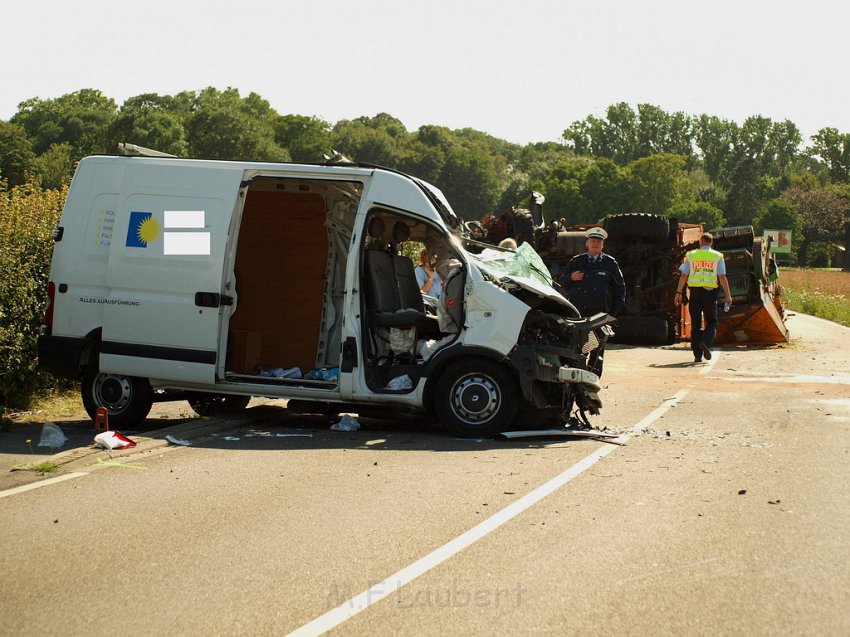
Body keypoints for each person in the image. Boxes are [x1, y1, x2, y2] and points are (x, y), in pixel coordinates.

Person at [558, 227, 625, 376]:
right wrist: (570, 278)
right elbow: (560, 283)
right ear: (587, 243)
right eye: (593, 241)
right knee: (577, 349)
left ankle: (593, 381)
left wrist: (611, 315)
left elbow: (620, 290)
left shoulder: (610, 264)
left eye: (598, 241)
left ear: (602, 245)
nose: (595, 244)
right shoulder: (576, 262)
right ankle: (576, 379)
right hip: (578, 316)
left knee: (597, 351)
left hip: (599, 316)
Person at [674, 232, 733, 362]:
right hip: (709, 292)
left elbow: (684, 275)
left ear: (701, 242)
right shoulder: (717, 256)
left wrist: (678, 293)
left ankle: (697, 355)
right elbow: (722, 276)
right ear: (711, 243)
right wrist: (728, 296)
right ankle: (706, 342)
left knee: (695, 324)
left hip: (694, 292)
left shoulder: (692, 255)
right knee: (711, 321)